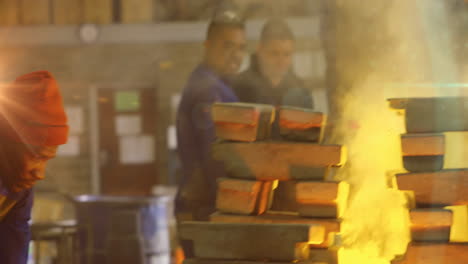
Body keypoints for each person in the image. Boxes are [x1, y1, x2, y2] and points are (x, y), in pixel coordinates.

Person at [175, 11, 246, 222]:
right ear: (207, 46)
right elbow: (215, 156)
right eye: (227, 46)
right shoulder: (207, 91)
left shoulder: (220, 87)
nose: (236, 55)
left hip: (209, 207)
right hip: (206, 210)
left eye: (241, 48)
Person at [0, 71, 69, 264]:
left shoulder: (19, 190)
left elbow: (12, 252)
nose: (39, 173)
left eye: (47, 160)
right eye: (37, 157)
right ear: (10, 146)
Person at [234, 18, 314, 138]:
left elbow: (309, 134)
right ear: (260, 49)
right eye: (274, 53)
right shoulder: (240, 87)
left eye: (287, 54)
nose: (281, 61)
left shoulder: (301, 91)